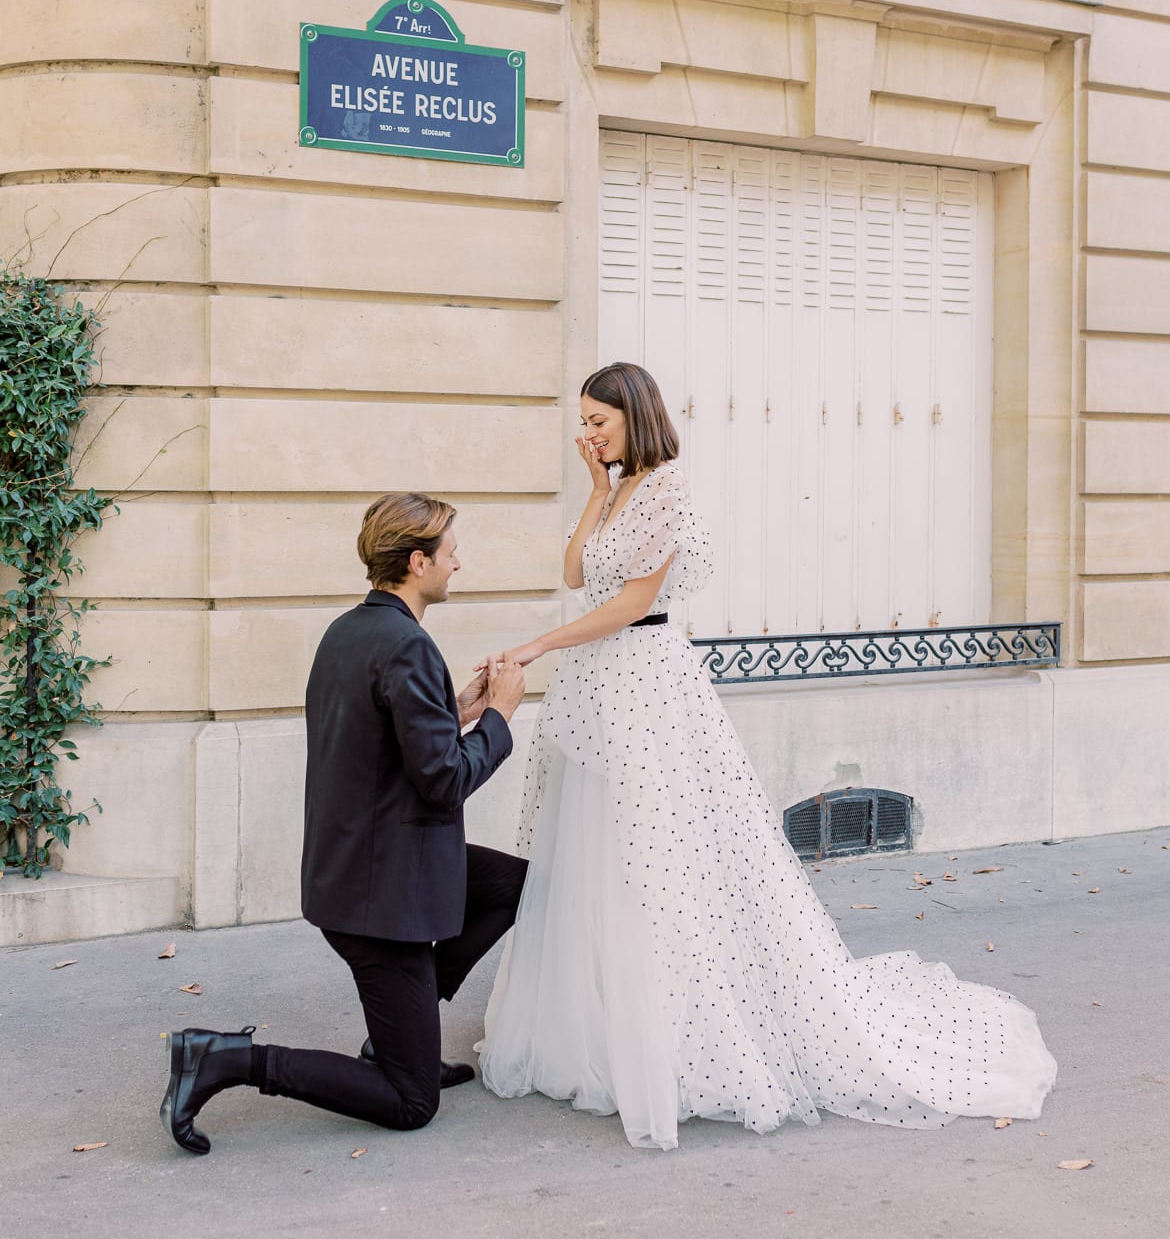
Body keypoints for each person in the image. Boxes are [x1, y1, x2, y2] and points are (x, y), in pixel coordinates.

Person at [477, 362, 1058, 1151]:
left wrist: (541, 642)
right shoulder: (616, 487)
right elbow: (578, 572)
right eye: (583, 421)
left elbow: (630, 604)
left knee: (656, 858)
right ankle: (594, 1020)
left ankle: (668, 1029)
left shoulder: (669, 487)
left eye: (599, 422)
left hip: (647, 685)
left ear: (635, 417)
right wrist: (592, 486)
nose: (588, 433)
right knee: (591, 854)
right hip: (598, 690)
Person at [161, 493, 527, 1156]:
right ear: (418, 562)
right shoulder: (408, 646)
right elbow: (443, 780)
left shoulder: (350, 630)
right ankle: (222, 1058)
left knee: (512, 884)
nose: (458, 563)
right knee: (413, 1100)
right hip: (383, 898)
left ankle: (401, 1025)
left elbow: (385, 741)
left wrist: (458, 711)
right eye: (450, 554)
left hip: (365, 866)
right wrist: (500, 718)